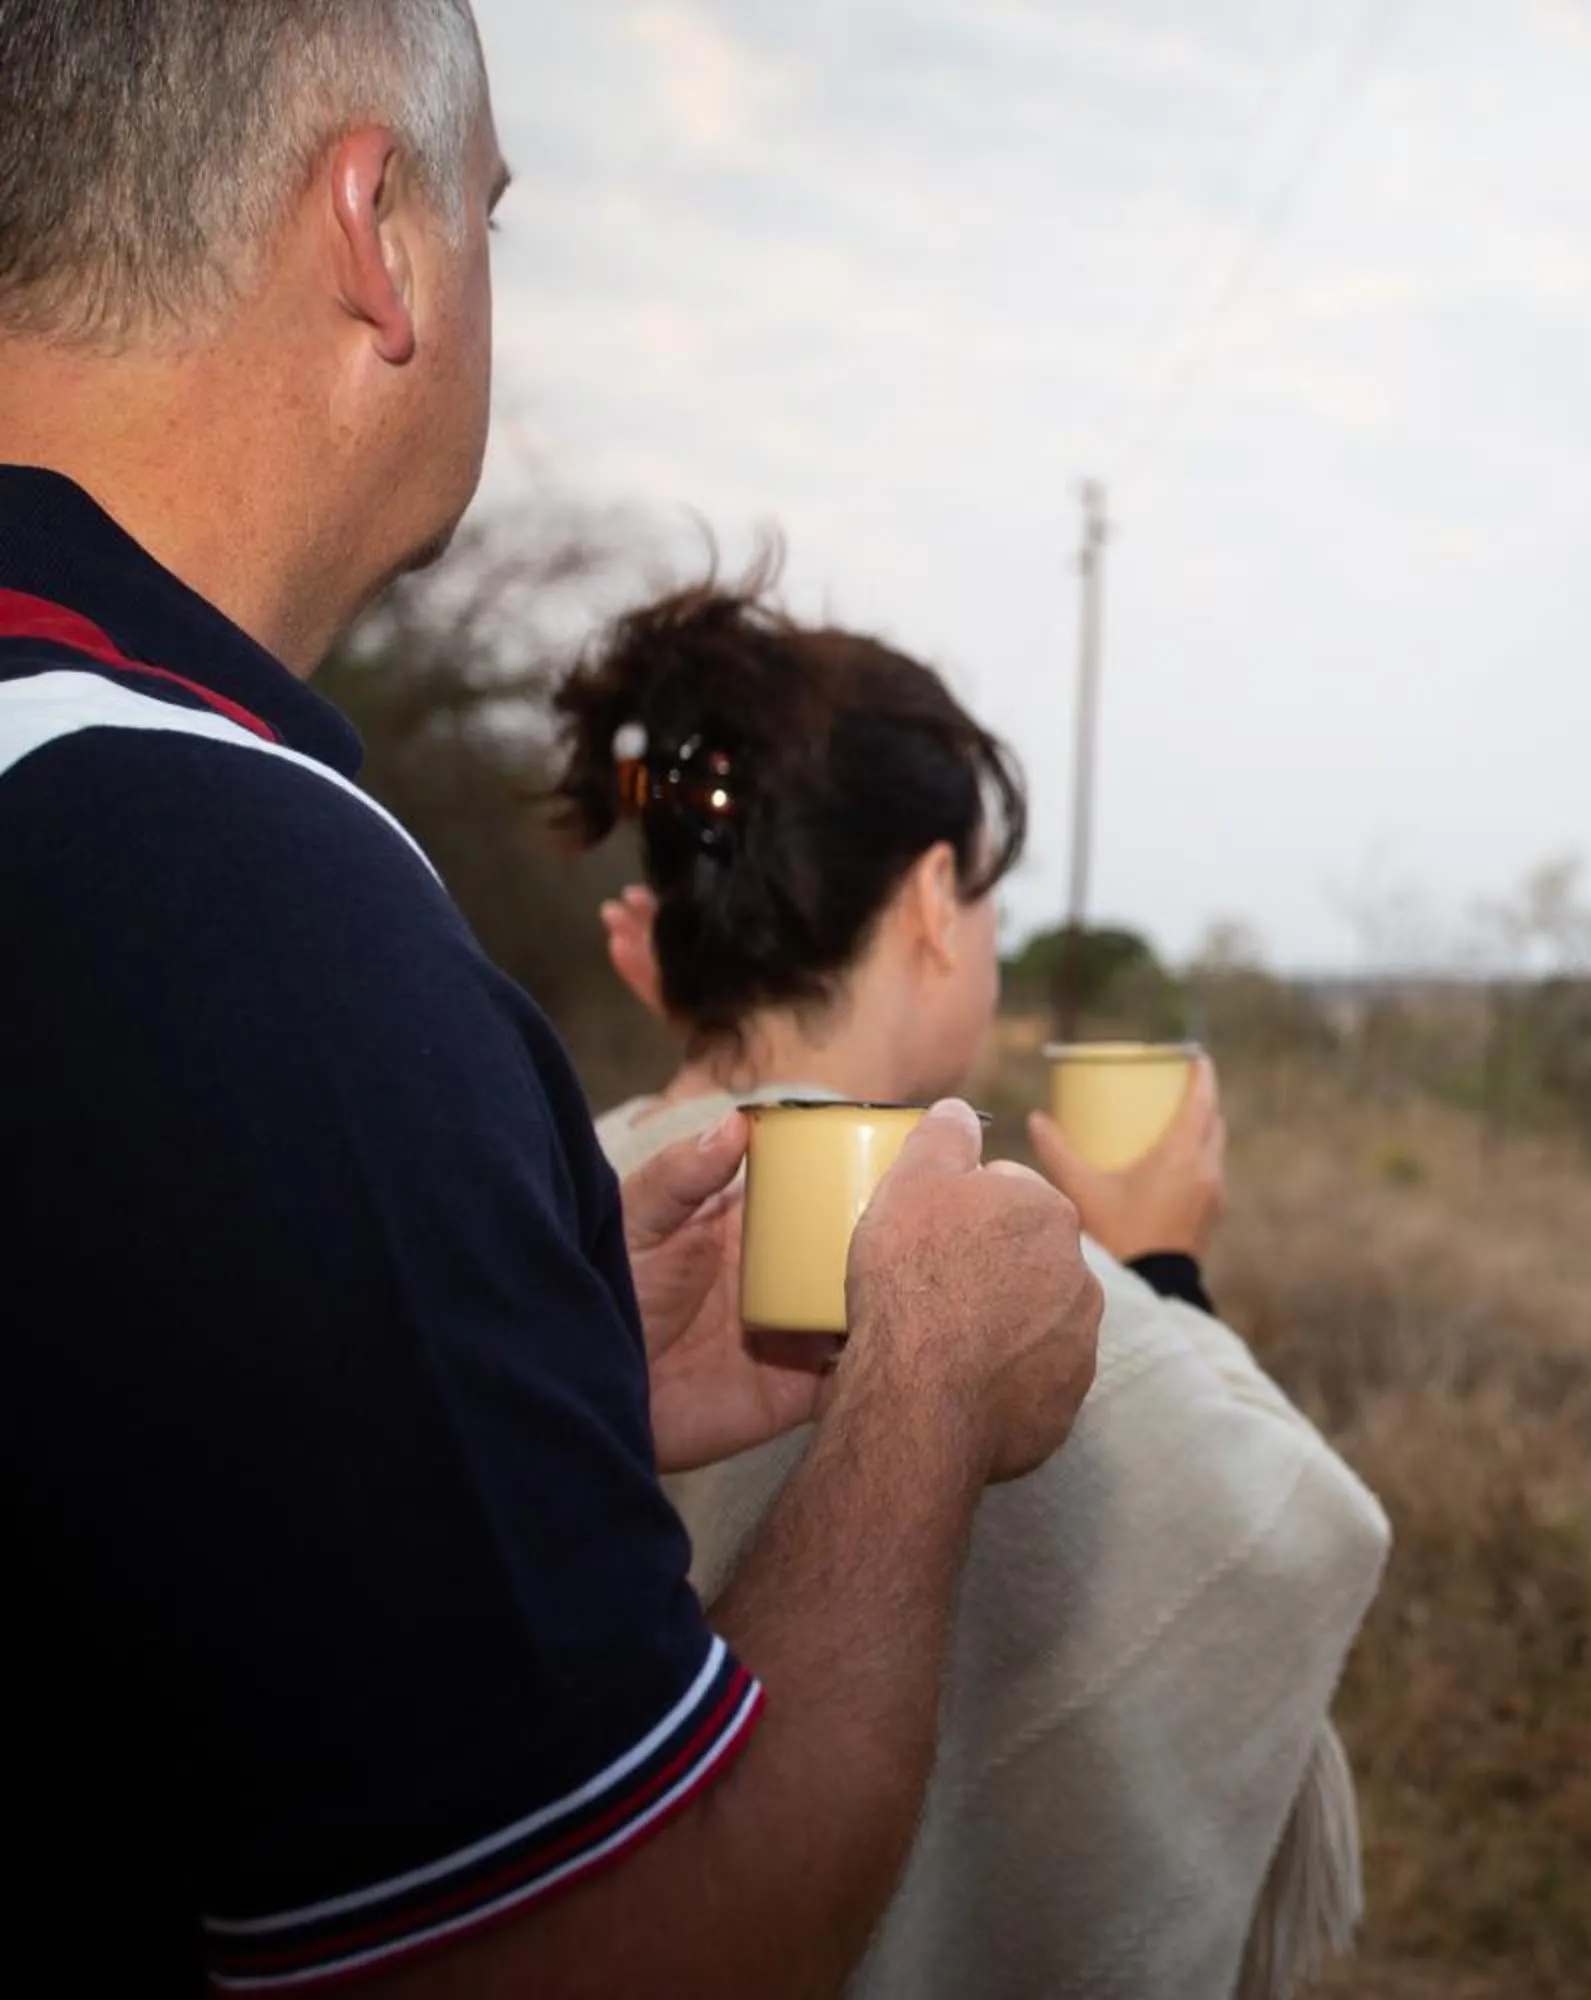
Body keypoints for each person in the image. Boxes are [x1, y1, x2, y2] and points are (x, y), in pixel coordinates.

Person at [0, 6, 1103, 1993]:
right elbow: (605, 1957)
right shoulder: (220, 891)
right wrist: (926, 1389)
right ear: (377, 231)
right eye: (491, 209)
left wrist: (533, 1343)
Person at [554, 572, 1392, 2000]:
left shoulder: (562, 1192)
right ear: (937, 898)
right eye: (986, 893)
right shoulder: (967, 1254)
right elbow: (1294, 1537)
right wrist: (1158, 1274)